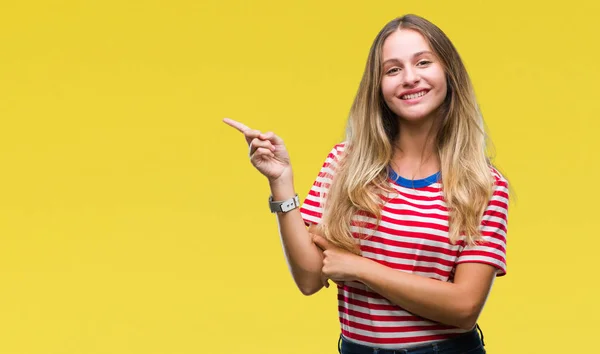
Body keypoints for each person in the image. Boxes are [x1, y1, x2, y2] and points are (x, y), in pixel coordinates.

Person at [224, 13, 508, 354]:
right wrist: (281, 182)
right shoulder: (346, 162)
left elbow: (463, 308)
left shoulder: (483, 184)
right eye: (393, 69)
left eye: (423, 62)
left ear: (448, 72)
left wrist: (360, 267)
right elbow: (311, 278)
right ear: (379, 87)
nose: (409, 78)